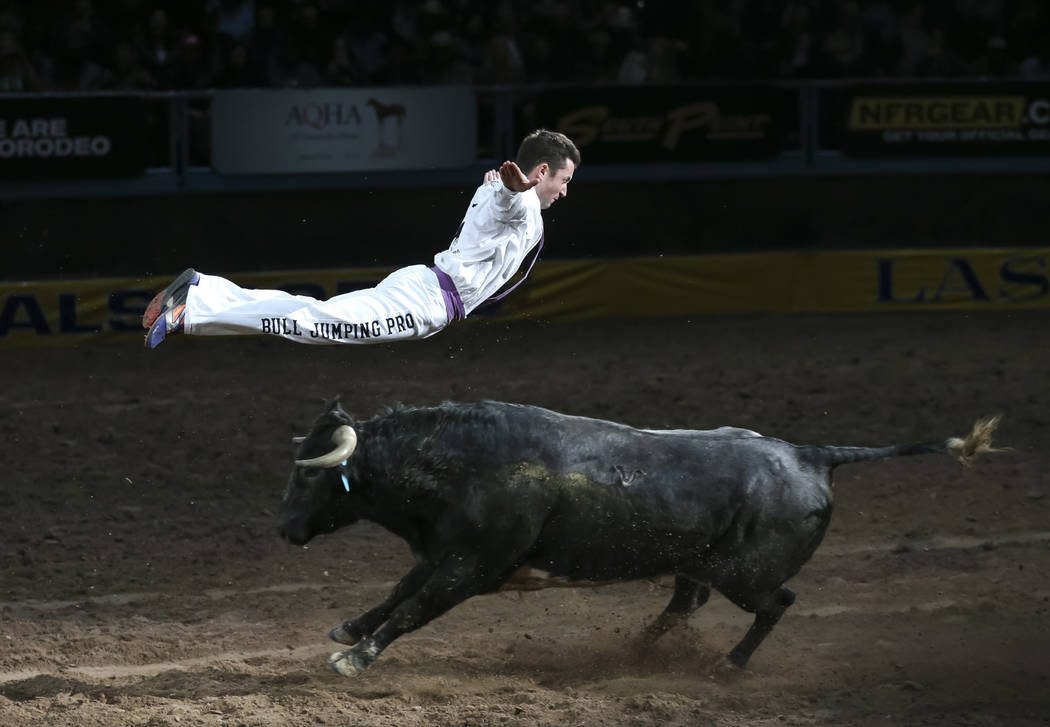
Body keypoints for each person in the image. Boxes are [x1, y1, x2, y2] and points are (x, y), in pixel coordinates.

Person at [143, 129, 579, 348]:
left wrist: (504, 189)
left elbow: (501, 204)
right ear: (541, 172)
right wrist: (510, 190)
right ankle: (194, 305)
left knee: (312, 316)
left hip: (427, 290)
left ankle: (201, 295)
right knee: (313, 322)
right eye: (563, 180)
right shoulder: (520, 203)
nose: (564, 191)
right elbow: (508, 203)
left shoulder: (512, 199)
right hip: (426, 301)